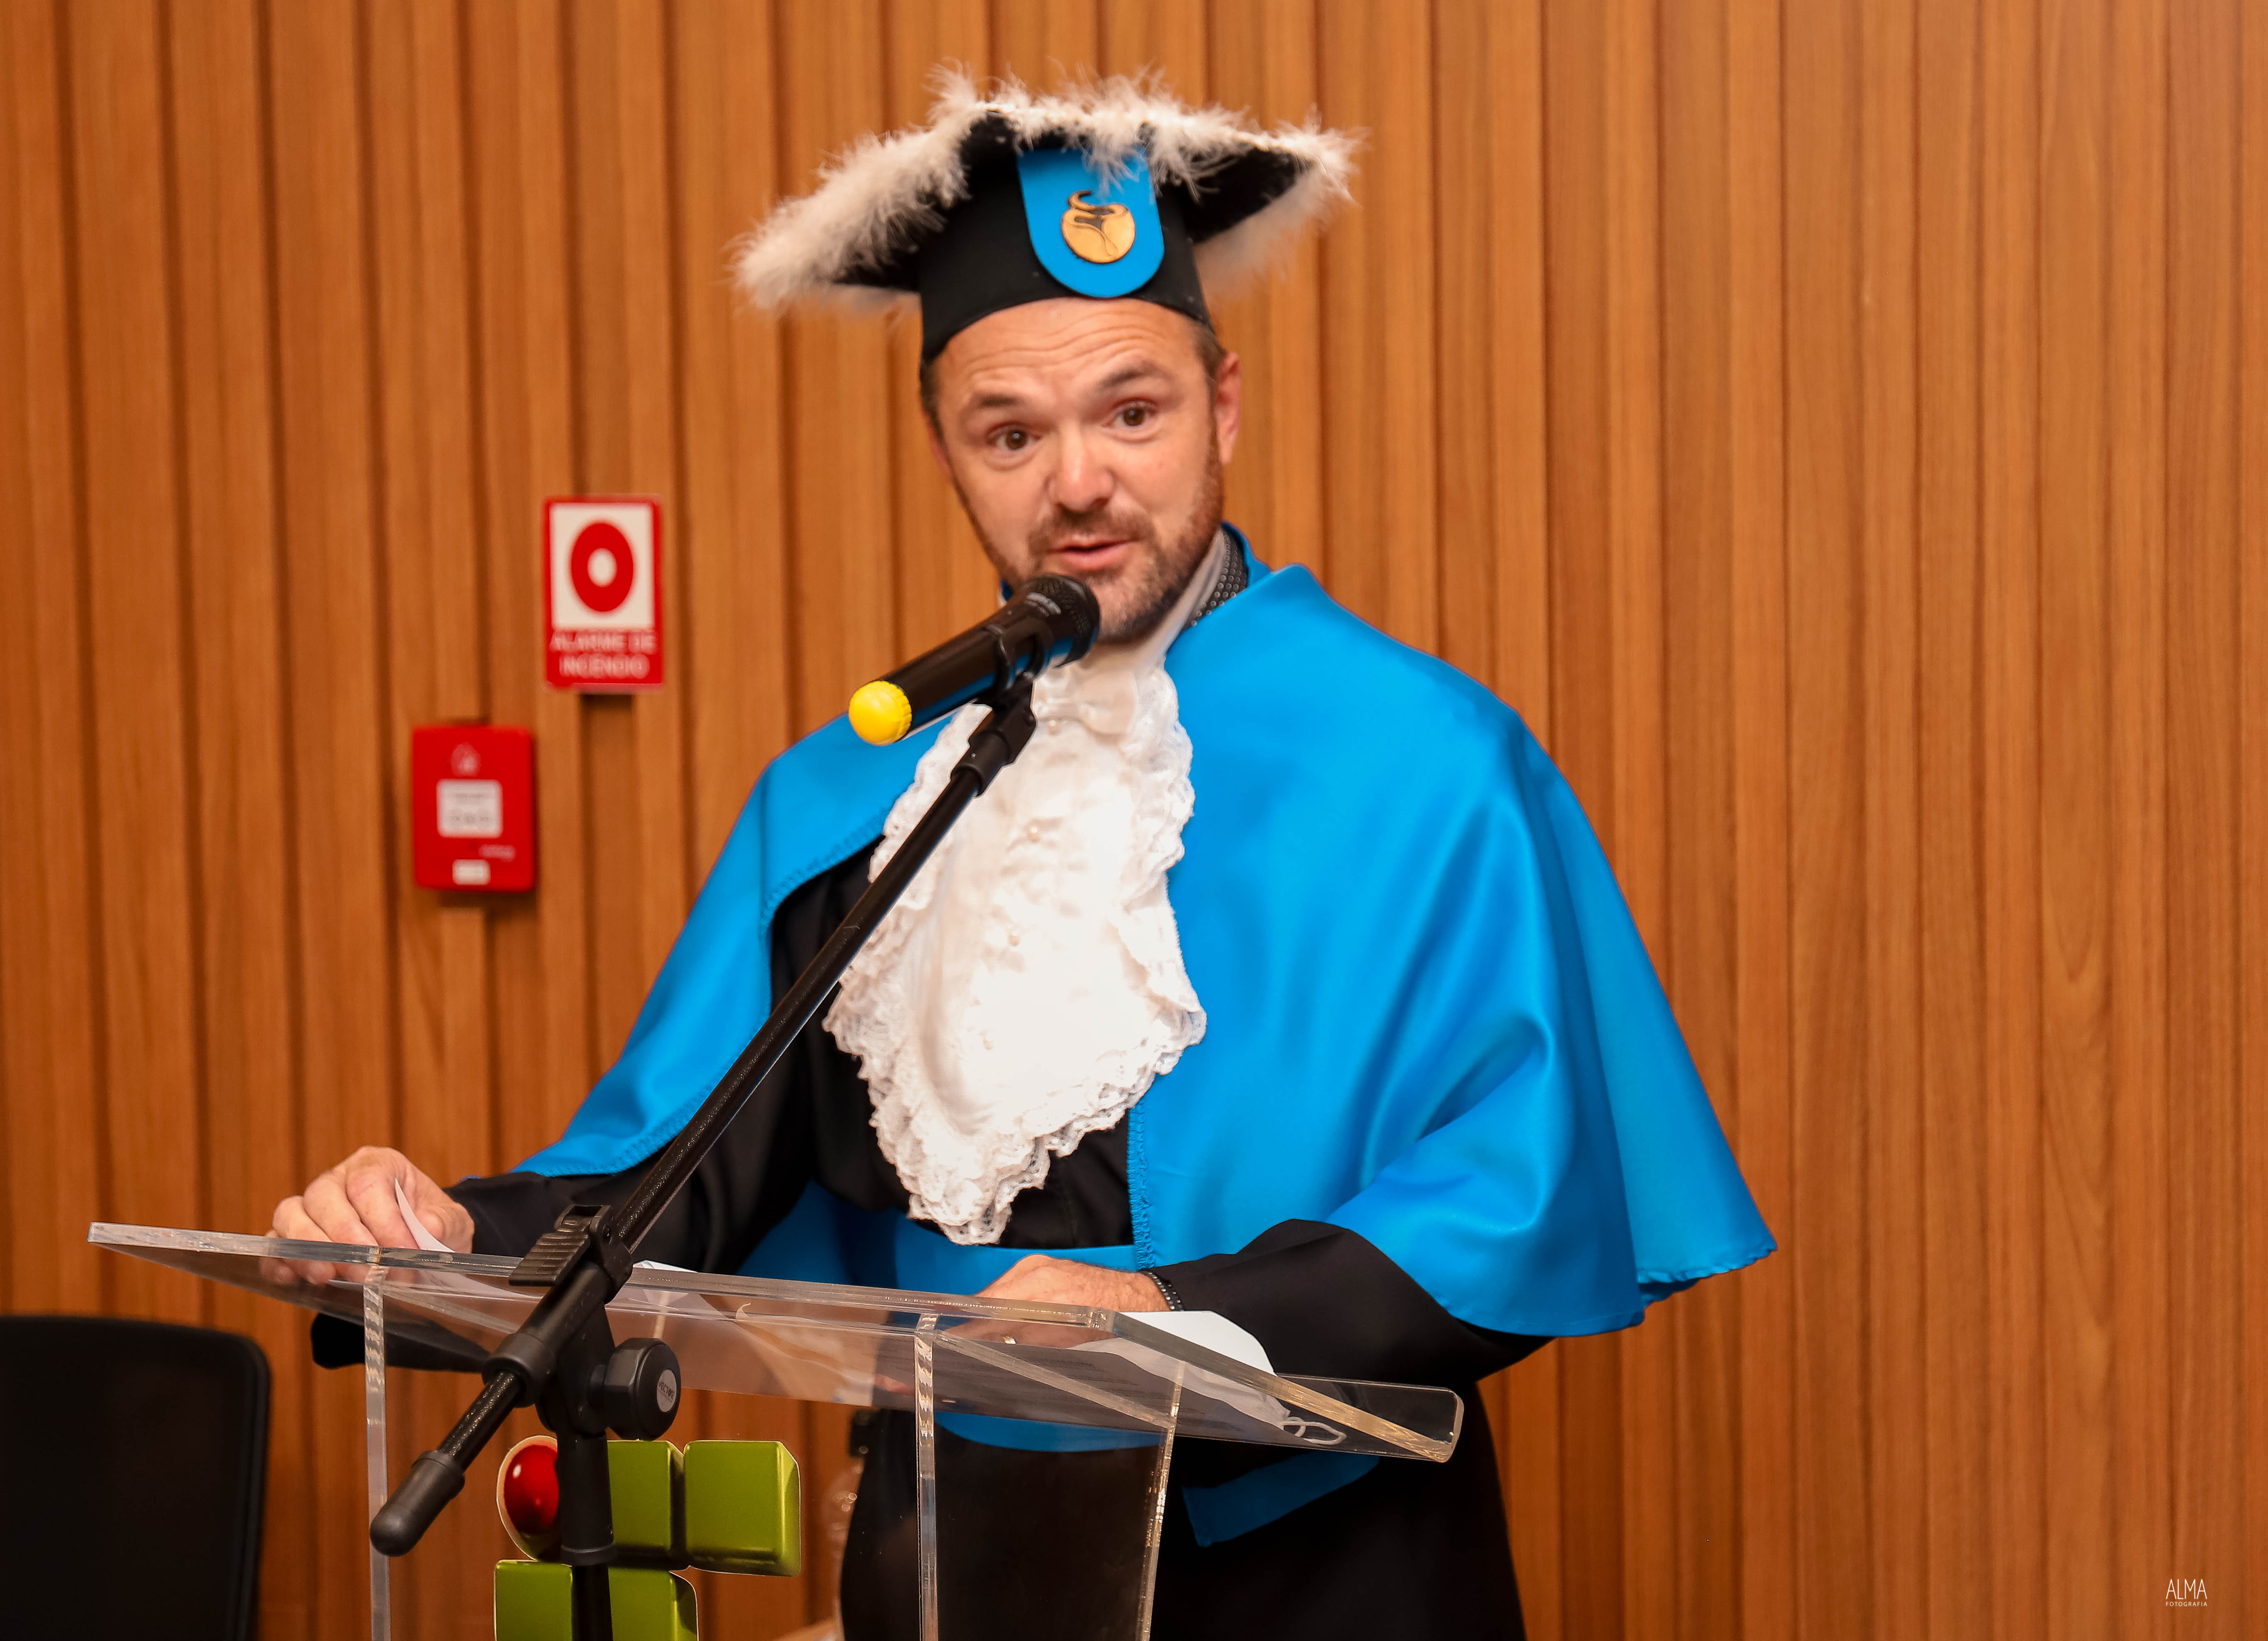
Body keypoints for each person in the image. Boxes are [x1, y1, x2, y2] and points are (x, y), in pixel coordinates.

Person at [273, 74, 1773, 1640]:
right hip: (949, 1547)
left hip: (1326, 1571)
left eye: (1134, 411)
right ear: (944, 450)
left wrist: (1177, 1313)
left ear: (1224, 407)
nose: (1078, 482)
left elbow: (1514, 1176)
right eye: (1012, 431)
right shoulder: (853, 792)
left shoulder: (1427, 760)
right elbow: (686, 1171)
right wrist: (438, 1236)